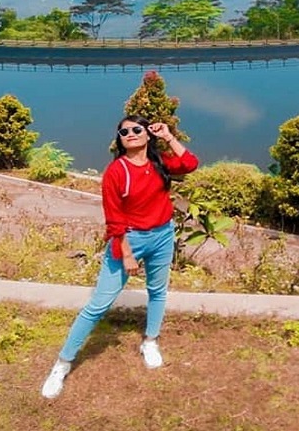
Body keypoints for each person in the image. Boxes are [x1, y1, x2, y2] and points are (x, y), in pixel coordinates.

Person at [41, 115, 199, 399]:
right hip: (130, 239)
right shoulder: (116, 172)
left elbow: (189, 164)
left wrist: (168, 136)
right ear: (120, 139)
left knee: (157, 292)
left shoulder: (158, 162)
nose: (131, 133)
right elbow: (114, 220)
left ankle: (150, 341)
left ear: (147, 134)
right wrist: (127, 255)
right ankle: (62, 363)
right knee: (98, 305)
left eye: (137, 129)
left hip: (163, 234)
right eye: (124, 131)